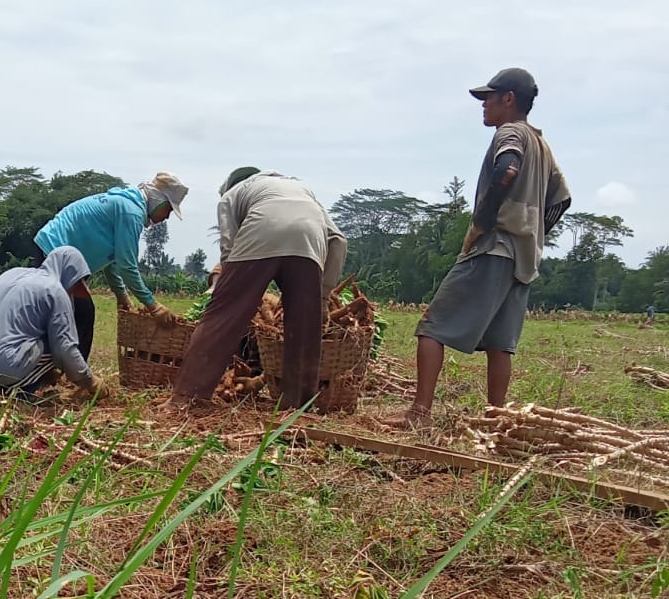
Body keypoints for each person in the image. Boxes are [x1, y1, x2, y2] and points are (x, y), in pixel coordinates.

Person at [386, 68, 571, 429]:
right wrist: (535, 232)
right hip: (524, 257)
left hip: (494, 247)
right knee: (501, 344)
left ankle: (419, 415)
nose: (483, 105)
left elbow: (507, 170)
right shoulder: (542, 144)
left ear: (509, 99)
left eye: (489, 97)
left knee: (431, 326)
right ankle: (495, 419)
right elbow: (561, 200)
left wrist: (484, 221)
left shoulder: (512, 133)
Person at [163, 168, 347, 411]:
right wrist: (322, 296)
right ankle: (297, 408)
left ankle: (187, 399)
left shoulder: (230, 196)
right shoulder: (302, 189)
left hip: (262, 231)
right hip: (308, 240)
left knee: (222, 318)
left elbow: (229, 246)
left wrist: (229, 289)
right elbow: (339, 240)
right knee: (305, 329)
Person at [34, 172, 188, 360]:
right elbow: (127, 266)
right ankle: (73, 376)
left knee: (69, 314)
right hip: (55, 250)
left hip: (55, 251)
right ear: (160, 201)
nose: (167, 217)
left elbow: (114, 261)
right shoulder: (131, 212)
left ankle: (60, 370)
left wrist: (121, 295)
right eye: (169, 210)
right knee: (80, 313)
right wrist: (152, 305)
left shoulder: (128, 206)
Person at [0, 246, 103, 399]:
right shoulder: (55, 291)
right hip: (1, 366)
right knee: (55, 340)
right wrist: (90, 381)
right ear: (70, 275)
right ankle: (21, 393)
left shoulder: (12, 273)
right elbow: (65, 349)